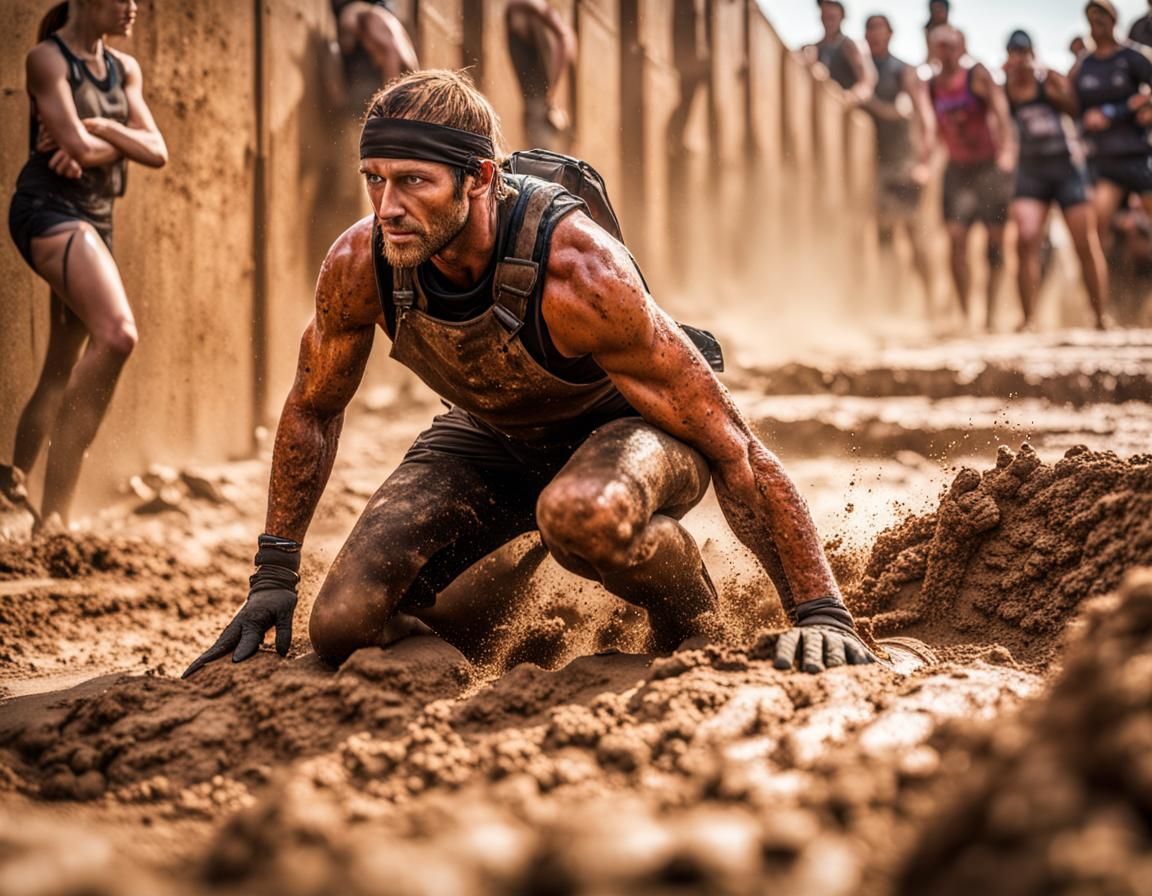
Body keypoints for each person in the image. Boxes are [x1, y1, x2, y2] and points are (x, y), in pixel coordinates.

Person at [184, 70, 876, 679]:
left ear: (480, 178)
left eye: (413, 181)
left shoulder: (579, 270)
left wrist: (820, 610)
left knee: (579, 515)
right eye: (375, 179)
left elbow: (732, 442)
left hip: (630, 435)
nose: (387, 206)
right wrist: (274, 574)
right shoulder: (360, 263)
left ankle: (689, 613)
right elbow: (312, 406)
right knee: (341, 626)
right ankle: (500, 594)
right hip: (493, 438)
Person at [3, 0, 167, 529]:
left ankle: (13, 480)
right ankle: (54, 515)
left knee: (62, 362)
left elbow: (157, 149)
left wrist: (99, 128)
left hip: (97, 218)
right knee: (118, 335)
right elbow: (71, 144)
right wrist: (116, 139)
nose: (133, 7)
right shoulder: (47, 61)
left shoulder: (125, 69)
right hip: (48, 209)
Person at [1005, 30, 1110, 330]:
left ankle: (1099, 317)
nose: (1019, 57)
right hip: (1031, 172)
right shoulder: (1007, 87)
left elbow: (1074, 108)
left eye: (1023, 51)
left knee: (1084, 243)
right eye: (1014, 51)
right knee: (1026, 244)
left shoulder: (1048, 78)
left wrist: (1053, 88)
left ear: (1032, 52)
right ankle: (1028, 319)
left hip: (1065, 169)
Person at [927, 25, 1015, 331]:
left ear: (961, 47)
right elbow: (931, 126)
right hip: (957, 170)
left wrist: (1007, 150)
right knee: (955, 240)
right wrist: (928, 160)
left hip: (987, 168)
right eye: (940, 46)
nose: (946, 52)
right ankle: (966, 315)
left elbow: (1000, 108)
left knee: (994, 245)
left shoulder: (977, 75)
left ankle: (989, 316)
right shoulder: (932, 84)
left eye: (951, 45)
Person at [1072, 0, 1152, 290]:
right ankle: (1100, 307)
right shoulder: (1085, 65)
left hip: (1139, 157)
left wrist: (1123, 110)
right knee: (1094, 231)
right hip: (1105, 163)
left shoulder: (1134, 57)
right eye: (1091, 20)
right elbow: (1074, 109)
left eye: (1101, 19)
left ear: (1113, 21)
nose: (1096, 26)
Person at [860, 14, 934, 311]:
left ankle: (930, 304)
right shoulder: (863, 70)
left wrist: (924, 162)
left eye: (880, 29)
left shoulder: (902, 70)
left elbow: (924, 116)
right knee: (884, 239)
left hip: (904, 163)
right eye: (870, 30)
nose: (875, 35)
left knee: (913, 234)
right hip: (876, 167)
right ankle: (891, 307)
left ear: (890, 34)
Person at [505, 0, 577, 150]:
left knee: (542, 157)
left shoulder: (531, 7)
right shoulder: (516, 8)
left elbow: (565, 37)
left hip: (540, 105)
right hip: (533, 104)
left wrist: (553, 86)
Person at [330, 0, 418, 113]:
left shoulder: (373, 23)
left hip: (403, 71)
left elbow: (391, 53)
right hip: (403, 72)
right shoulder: (374, 23)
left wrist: (389, 95)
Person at [805, 1, 873, 100]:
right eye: (826, 17)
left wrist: (849, 97)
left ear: (841, 16)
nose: (828, 21)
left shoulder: (848, 45)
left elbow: (866, 83)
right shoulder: (813, 48)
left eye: (832, 17)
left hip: (840, 106)